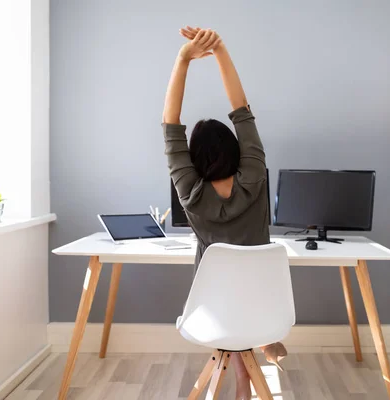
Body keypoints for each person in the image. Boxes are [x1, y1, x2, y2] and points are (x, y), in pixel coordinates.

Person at [161, 27, 287, 399]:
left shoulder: (190, 193)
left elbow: (171, 127)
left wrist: (183, 58)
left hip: (212, 313)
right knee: (246, 305)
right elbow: (242, 112)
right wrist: (220, 50)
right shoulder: (255, 174)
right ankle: (258, 355)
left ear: (194, 159)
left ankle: (244, 362)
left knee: (227, 306)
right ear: (237, 150)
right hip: (266, 310)